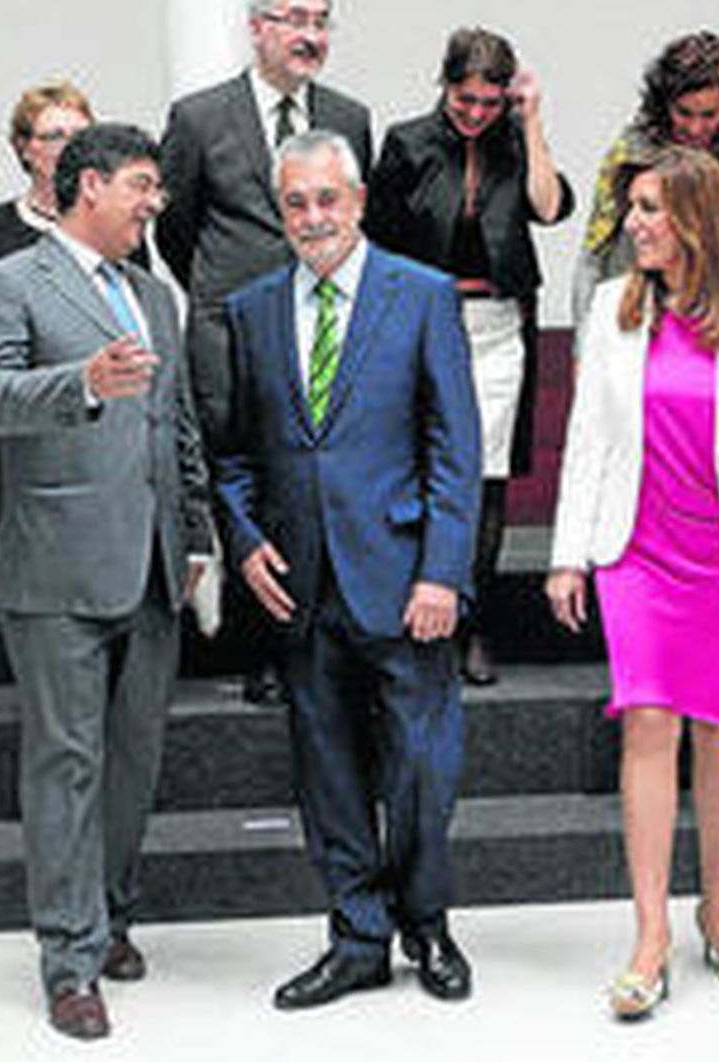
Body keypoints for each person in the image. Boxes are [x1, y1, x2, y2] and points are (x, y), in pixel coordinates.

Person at [546, 145, 719, 1021]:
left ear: (694, 217)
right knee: (647, 723)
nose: (631, 224)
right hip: (640, 550)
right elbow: (588, 439)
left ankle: (717, 910)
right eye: (632, 208)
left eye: (647, 209)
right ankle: (649, 934)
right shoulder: (612, 307)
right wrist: (567, 552)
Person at [215, 130, 481, 1011]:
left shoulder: (422, 296)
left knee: (419, 771)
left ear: (359, 201)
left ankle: (427, 923)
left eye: (327, 199)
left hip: (406, 581)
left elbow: (455, 449)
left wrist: (443, 572)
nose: (312, 218)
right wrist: (247, 541)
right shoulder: (251, 309)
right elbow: (236, 453)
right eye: (295, 203)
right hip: (301, 583)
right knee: (326, 774)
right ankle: (357, 937)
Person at [0, 124, 211, 1042]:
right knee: (66, 764)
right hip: (54, 570)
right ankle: (69, 961)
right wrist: (84, 381)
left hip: (152, 565)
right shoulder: (8, 281)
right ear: (91, 185)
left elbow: (177, 423)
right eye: (144, 187)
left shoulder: (155, 293)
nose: (156, 204)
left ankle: (109, 917)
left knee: (133, 761)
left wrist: (197, 537)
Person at [158, 0, 372, 707]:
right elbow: (176, 228)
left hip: (318, 329)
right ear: (258, 29)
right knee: (240, 478)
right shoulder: (200, 117)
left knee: (302, 477)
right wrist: (225, 292)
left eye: (321, 20)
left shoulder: (348, 117)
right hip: (229, 329)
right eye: (296, 20)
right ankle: (262, 647)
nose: (310, 35)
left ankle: (310, 637)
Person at [365, 26, 573, 687]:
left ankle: (474, 623)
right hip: (427, 321)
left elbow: (550, 208)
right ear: (445, 86)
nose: (477, 114)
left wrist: (532, 122)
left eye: (490, 102)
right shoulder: (408, 142)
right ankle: (426, 609)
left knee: (485, 478)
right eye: (465, 101)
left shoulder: (515, 140)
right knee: (423, 469)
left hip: (498, 322)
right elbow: (379, 241)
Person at [0, 79, 147, 530]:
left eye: (80, 137)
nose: (69, 148)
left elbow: (139, 321)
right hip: (22, 429)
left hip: (105, 424)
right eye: (53, 136)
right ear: (25, 149)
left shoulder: (120, 228)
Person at [572, 31, 719, 332]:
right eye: (684, 113)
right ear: (665, 105)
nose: (695, 128)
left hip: (712, 321)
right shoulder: (631, 152)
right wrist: (584, 343)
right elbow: (594, 253)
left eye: (710, 115)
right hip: (634, 313)